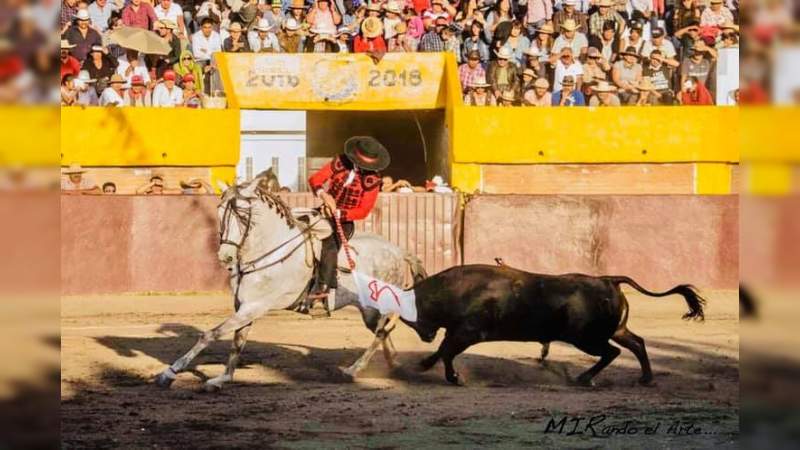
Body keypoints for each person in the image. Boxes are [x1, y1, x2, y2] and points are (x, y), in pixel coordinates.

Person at [306, 136, 390, 315]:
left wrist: (338, 213)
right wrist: (323, 195)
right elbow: (315, 180)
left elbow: (363, 211)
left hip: (343, 221)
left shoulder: (373, 181)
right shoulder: (340, 162)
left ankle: (322, 293)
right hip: (322, 210)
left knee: (329, 245)